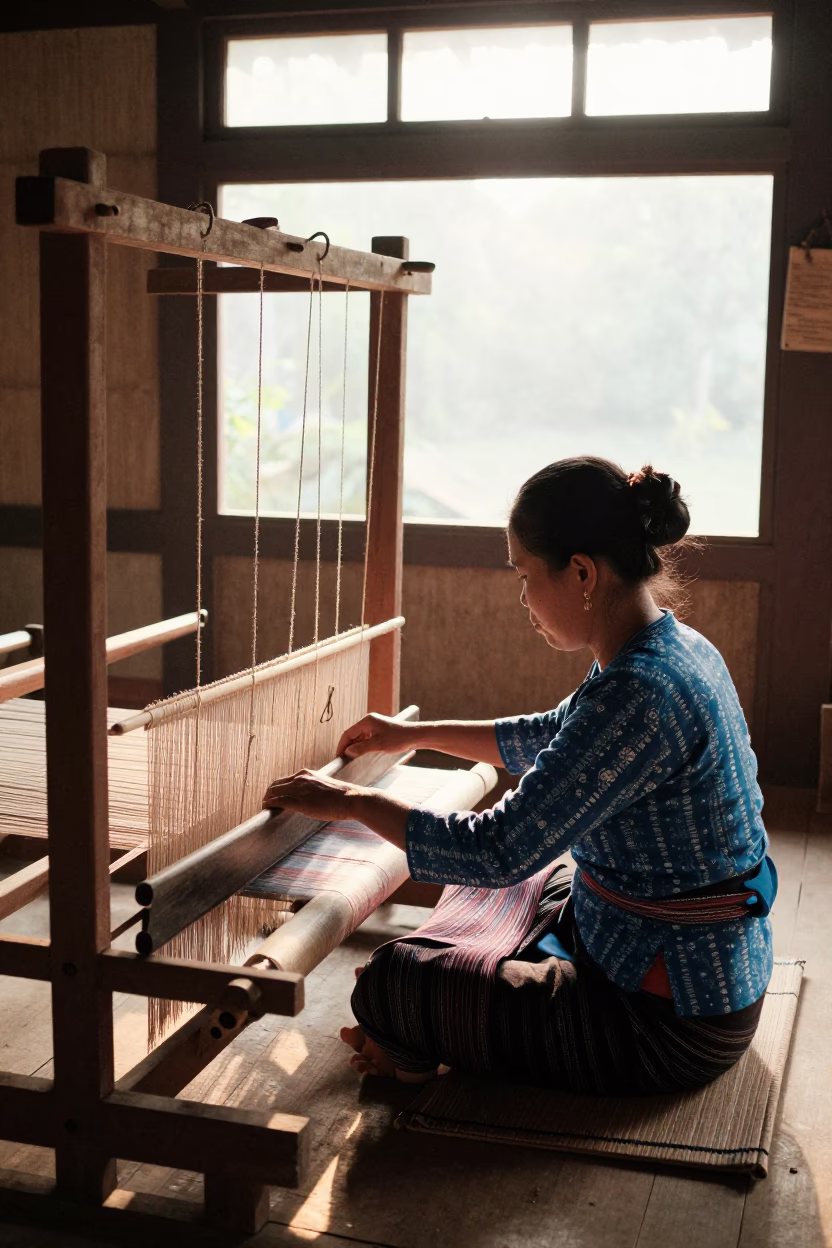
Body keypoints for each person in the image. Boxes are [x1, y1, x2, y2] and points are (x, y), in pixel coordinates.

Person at [263, 457, 776, 1096]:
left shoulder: (639, 692)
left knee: (391, 984)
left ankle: (411, 1052)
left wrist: (352, 802)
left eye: (525, 575)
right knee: (539, 873)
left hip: (668, 1025)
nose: (523, 597)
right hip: (705, 974)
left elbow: (495, 849)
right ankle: (429, 1033)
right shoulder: (673, 648)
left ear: (582, 573)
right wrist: (412, 735)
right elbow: (547, 738)